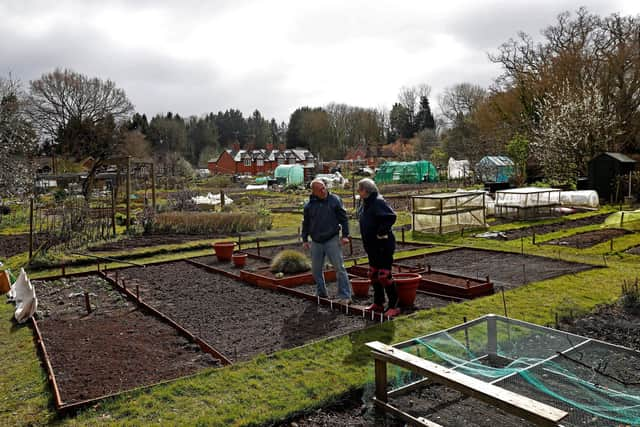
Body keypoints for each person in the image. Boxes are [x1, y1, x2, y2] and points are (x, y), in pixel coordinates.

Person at [301, 179, 352, 304]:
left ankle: (345, 296)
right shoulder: (309, 205)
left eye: (324, 187)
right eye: (320, 189)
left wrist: (345, 235)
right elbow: (306, 223)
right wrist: (304, 239)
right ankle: (321, 293)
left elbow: (343, 219)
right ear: (313, 192)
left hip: (332, 239)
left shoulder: (334, 200)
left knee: (339, 268)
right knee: (316, 270)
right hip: (316, 242)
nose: (323, 191)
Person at [357, 178, 400, 317]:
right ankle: (378, 303)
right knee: (374, 274)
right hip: (371, 246)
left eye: (360, 189)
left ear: (366, 190)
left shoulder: (378, 202)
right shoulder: (365, 203)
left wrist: (381, 232)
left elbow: (390, 217)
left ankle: (394, 306)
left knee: (384, 275)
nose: (358, 191)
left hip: (383, 245)